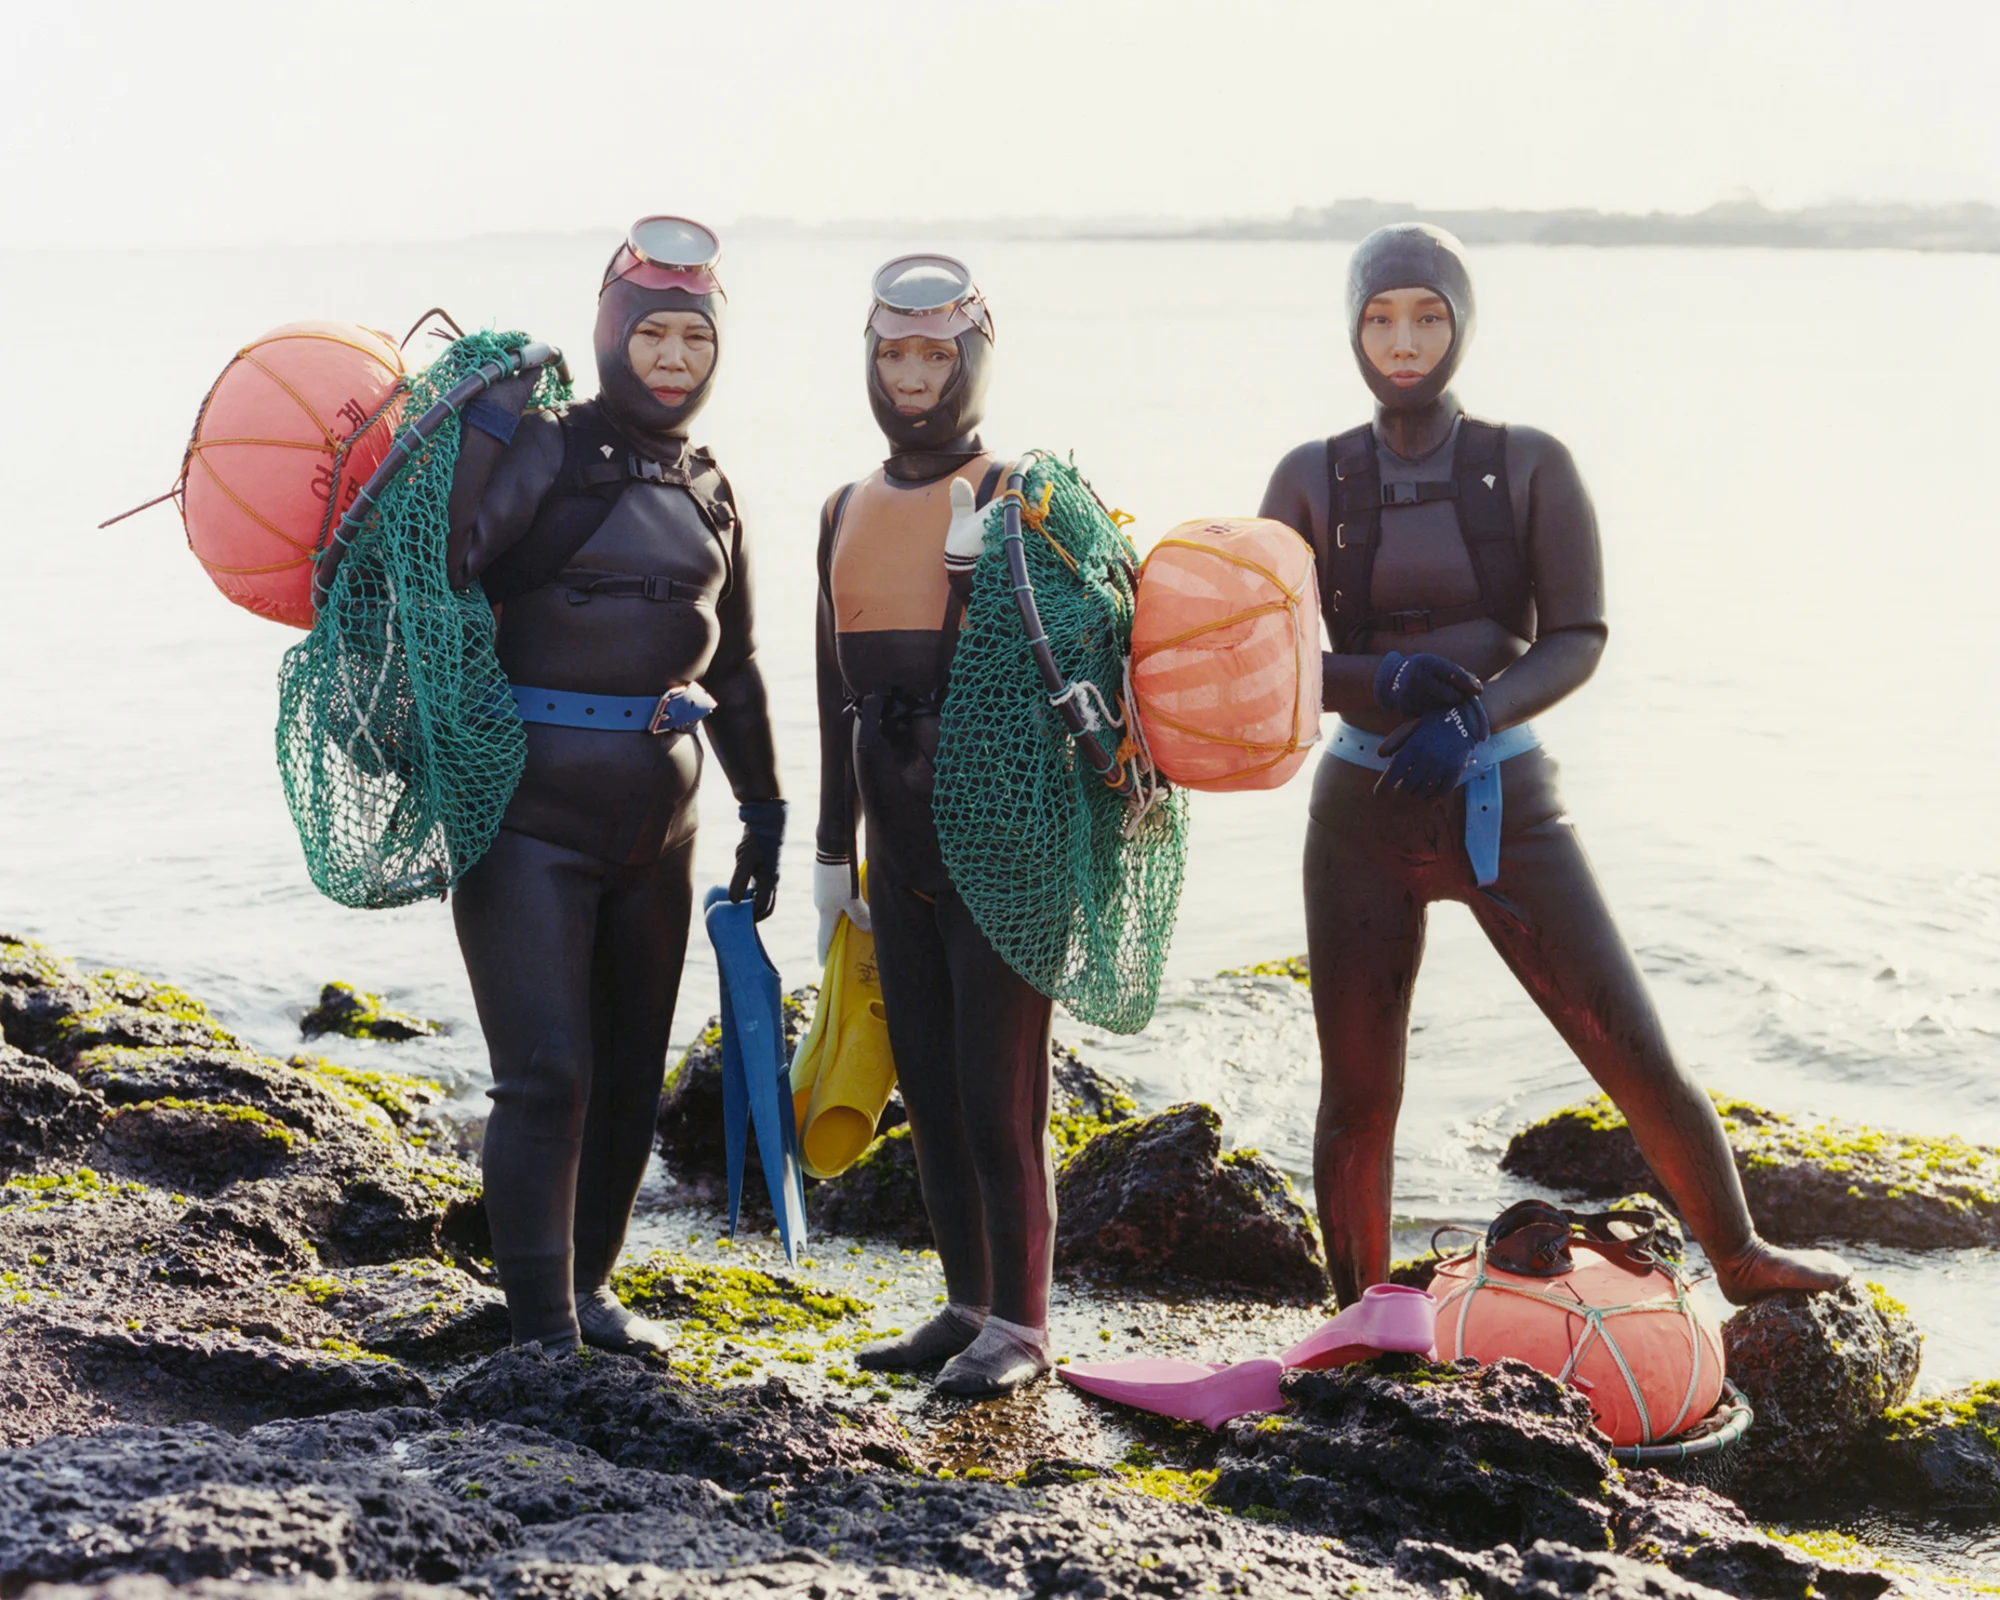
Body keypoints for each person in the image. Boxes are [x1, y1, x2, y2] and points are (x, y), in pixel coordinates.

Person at [1258, 223, 1851, 1308]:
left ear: (1462, 325)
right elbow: (1268, 655)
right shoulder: (1309, 477)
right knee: (1358, 1094)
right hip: (1361, 808)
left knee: (1626, 1042)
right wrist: (1385, 680)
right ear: (1351, 329)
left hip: (1506, 799)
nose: (1403, 343)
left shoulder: (1528, 462)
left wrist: (1471, 717)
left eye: (1427, 317)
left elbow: (1578, 634)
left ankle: (1737, 1255)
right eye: (1379, 319)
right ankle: (1359, 1314)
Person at [440, 216, 785, 1352]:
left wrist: (767, 810)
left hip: (662, 829)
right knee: (546, 1077)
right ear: (610, 335)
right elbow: (453, 560)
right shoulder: (549, 447)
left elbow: (734, 664)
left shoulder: (712, 486)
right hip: (526, 819)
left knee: (631, 1076)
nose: (675, 357)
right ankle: (539, 1332)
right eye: (653, 335)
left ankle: (589, 1290)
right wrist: (488, 423)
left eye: (697, 337)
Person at [814, 254, 1056, 1396]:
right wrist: (832, 850)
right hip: (895, 852)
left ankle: (1024, 1326)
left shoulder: (1020, 491)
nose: (912, 376)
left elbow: (1068, 669)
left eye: (934, 355)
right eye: (894, 354)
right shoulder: (840, 508)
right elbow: (836, 693)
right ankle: (966, 1303)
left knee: (1001, 1101)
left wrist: (980, 581)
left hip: (1003, 851)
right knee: (929, 1091)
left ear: (973, 363)